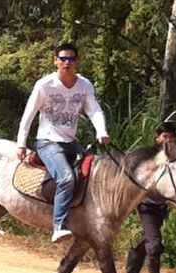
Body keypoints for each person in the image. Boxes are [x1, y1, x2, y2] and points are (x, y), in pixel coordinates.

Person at [17, 42, 110, 242]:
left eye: (71, 59)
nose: (66, 63)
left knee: (99, 172)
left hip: (71, 142)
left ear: (77, 62)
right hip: (47, 142)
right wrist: (21, 143)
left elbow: (94, 110)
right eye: (62, 59)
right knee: (67, 178)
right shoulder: (45, 85)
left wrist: (101, 131)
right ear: (55, 61)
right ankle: (59, 225)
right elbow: (28, 115)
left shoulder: (84, 85)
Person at [124, 121, 176, 273]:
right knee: (154, 243)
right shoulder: (149, 156)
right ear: (157, 139)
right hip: (146, 205)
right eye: (165, 136)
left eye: (171, 136)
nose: (168, 139)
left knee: (146, 239)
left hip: (161, 206)